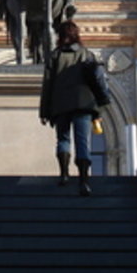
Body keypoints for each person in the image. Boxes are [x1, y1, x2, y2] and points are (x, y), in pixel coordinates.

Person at [39, 21, 111, 195]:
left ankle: (64, 175)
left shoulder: (55, 56)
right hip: (84, 104)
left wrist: (44, 111)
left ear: (60, 36)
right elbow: (98, 80)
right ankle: (84, 181)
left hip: (61, 104)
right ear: (77, 35)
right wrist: (100, 105)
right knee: (82, 142)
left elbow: (47, 84)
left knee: (63, 139)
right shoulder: (87, 54)